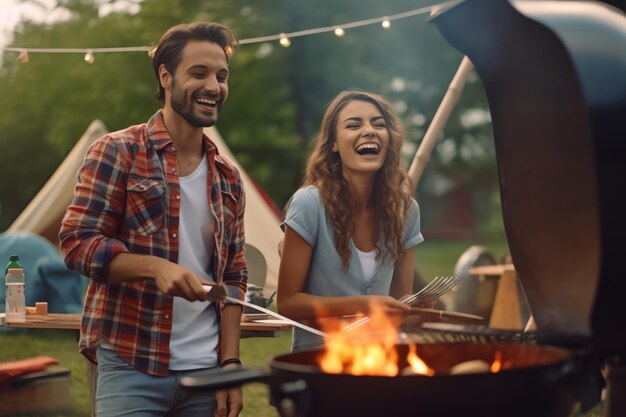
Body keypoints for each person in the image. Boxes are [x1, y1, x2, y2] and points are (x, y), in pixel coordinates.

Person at [59, 22, 246, 417]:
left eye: (221, 76)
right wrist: (154, 268)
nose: (214, 86)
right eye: (199, 73)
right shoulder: (117, 152)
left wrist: (230, 364)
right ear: (166, 76)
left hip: (207, 371)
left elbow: (234, 279)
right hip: (132, 363)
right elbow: (77, 242)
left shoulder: (229, 177)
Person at [277, 89, 424, 351]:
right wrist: (365, 305)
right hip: (319, 365)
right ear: (333, 143)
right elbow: (288, 304)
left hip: (380, 363)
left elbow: (401, 299)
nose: (369, 130)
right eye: (354, 125)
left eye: (378, 124)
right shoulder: (309, 204)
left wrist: (412, 308)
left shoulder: (406, 210)